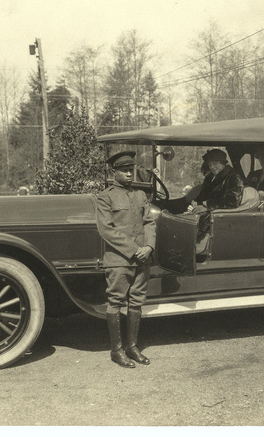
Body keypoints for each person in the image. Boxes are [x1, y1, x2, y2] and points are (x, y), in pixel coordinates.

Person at [96, 151, 157, 368]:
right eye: (124, 171)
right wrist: (135, 250)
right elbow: (106, 230)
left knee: (137, 301)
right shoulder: (106, 197)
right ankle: (117, 350)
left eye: (131, 170)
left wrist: (149, 247)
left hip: (142, 259)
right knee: (116, 301)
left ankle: (132, 347)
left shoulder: (140, 195)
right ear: (114, 172)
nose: (130, 174)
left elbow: (149, 222)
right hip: (119, 259)